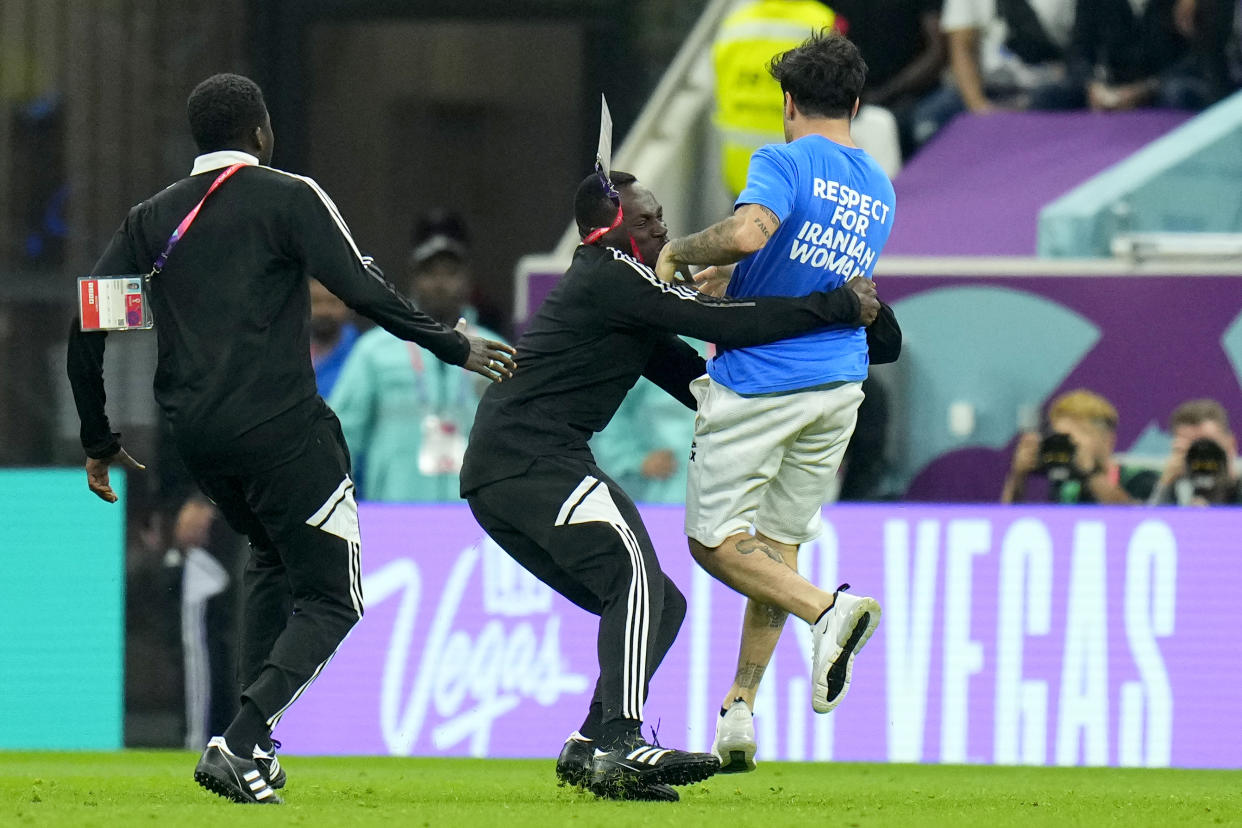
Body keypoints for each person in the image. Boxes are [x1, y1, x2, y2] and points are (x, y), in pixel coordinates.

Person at [66, 73, 514, 804]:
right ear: (262, 132)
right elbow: (362, 289)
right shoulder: (291, 196)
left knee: (272, 559)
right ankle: (240, 739)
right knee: (335, 596)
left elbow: (84, 326)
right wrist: (451, 345)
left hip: (201, 441)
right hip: (281, 430)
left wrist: (95, 435)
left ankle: (255, 747)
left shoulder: (151, 219)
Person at [460, 168, 880, 800]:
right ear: (606, 230)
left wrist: (768, 430)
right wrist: (837, 307)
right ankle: (624, 742)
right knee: (632, 579)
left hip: (514, 466)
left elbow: (691, 379)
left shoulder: (619, 295)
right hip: (528, 457)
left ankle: (590, 748)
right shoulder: (613, 274)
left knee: (660, 602)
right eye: (646, 219)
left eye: (661, 217)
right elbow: (728, 322)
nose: (662, 230)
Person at [655, 32, 899, 774]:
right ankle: (740, 709)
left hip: (763, 380)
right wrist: (741, 281)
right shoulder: (879, 188)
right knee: (776, 545)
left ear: (788, 103)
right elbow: (810, 268)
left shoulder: (783, 160)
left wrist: (680, 255)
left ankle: (830, 611)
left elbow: (749, 230)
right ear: (855, 105)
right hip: (839, 387)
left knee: (713, 542)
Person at [329, 217, 504, 502]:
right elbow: (341, 437)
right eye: (430, 272)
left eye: (450, 272)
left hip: (477, 517)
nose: (440, 283)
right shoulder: (375, 350)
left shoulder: (495, 349)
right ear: (413, 278)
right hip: (395, 514)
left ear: (467, 280)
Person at [911, 0, 1079, 148]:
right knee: (929, 117)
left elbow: (1081, 40)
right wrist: (978, 106)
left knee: (1048, 98)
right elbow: (962, 47)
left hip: (1045, 84)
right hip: (989, 87)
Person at [1001, 389, 1157, 504]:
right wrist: (1018, 476)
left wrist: (1089, 473)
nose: (1066, 445)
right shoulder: (1066, 486)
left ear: (1108, 441)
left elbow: (1137, 523)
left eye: (1076, 436)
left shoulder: (1139, 479)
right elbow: (1008, 521)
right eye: (1060, 437)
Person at [1149, 398, 1242, 505]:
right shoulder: (1175, 491)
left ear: (1231, 444)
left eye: (1208, 446)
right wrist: (1166, 483)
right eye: (1193, 448)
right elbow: (1154, 521)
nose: (1201, 455)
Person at [308, 279, 359, 398]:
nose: (324, 311)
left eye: (332, 302)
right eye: (316, 301)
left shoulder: (361, 353)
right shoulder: (284, 351)